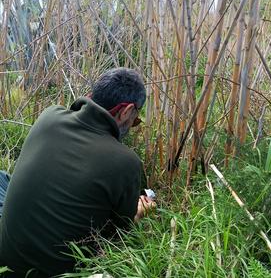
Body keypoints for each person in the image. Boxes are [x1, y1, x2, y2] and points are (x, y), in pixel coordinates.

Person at [0, 67, 155, 277]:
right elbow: (119, 229)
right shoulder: (127, 162)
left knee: (2, 177)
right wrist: (139, 211)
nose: (133, 124)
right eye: (135, 119)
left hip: (6, 259)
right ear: (126, 111)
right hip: (53, 273)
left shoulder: (50, 115)